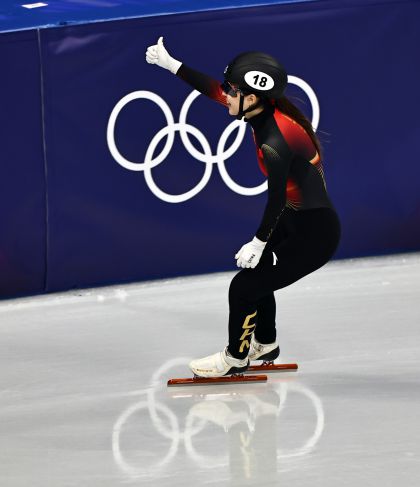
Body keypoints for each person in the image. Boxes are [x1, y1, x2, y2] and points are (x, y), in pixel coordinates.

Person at [145, 37, 341, 378]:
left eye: (231, 90)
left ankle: (235, 357)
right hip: (297, 218)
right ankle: (265, 342)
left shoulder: (274, 140)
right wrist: (171, 64)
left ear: (251, 98)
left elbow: (276, 197)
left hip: (314, 234)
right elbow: (211, 90)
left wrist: (259, 241)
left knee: (243, 287)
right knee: (257, 275)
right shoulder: (260, 110)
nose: (225, 94)